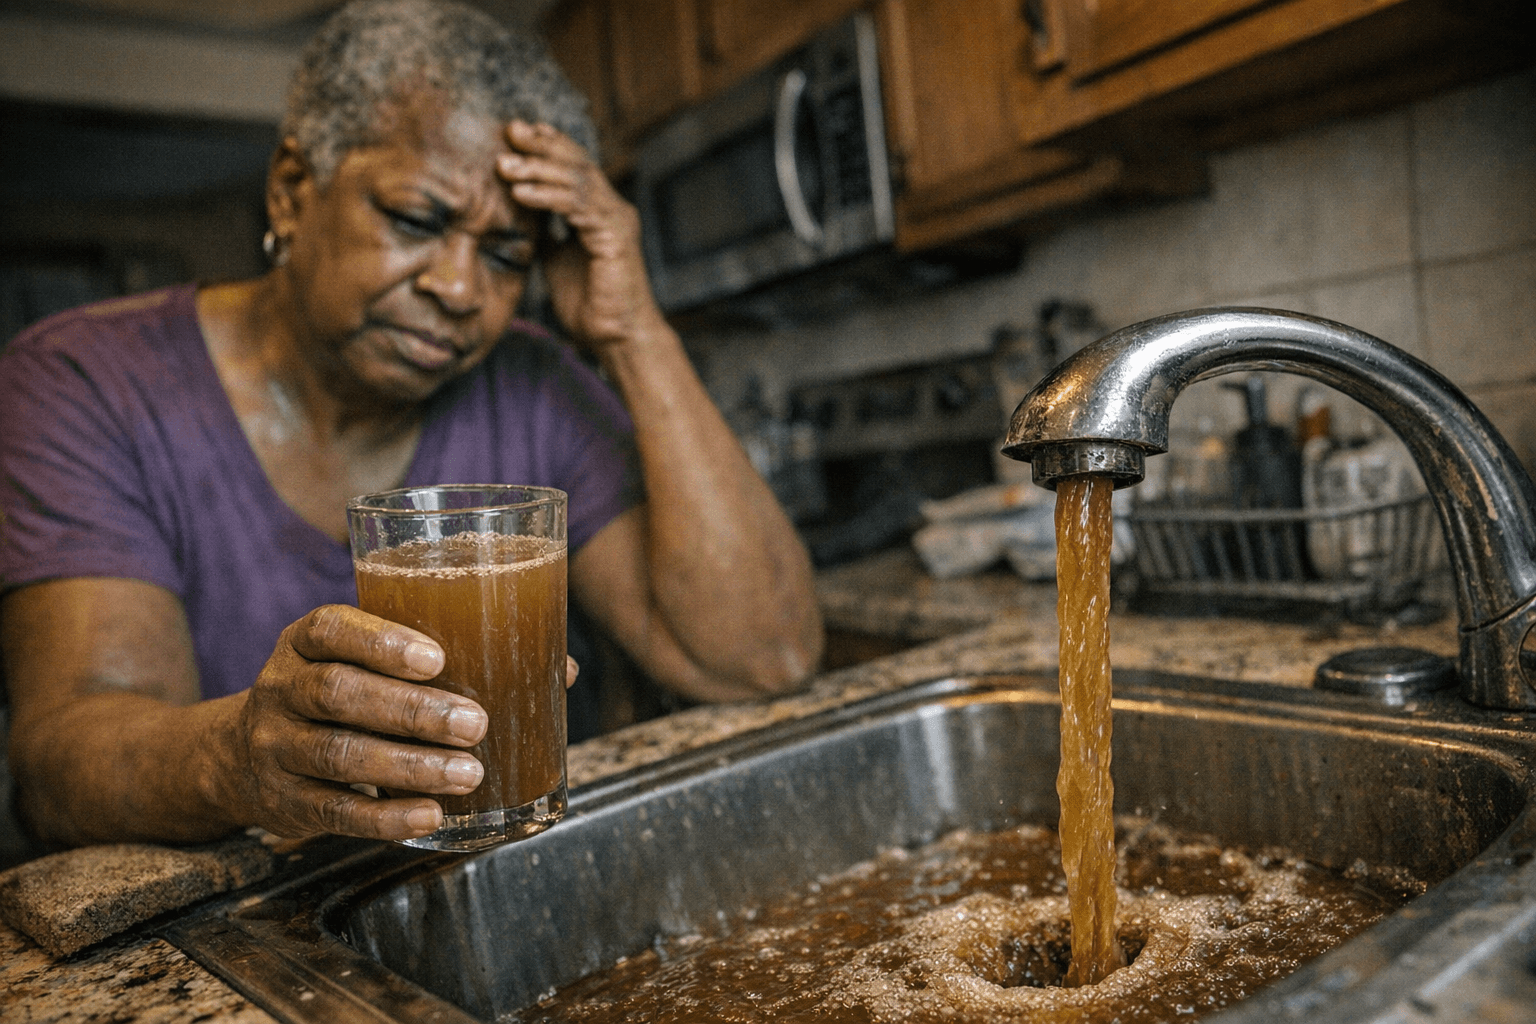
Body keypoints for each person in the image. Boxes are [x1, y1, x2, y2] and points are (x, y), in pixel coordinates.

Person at [0, 0, 822, 851]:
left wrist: (633, 330)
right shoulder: (84, 381)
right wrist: (241, 757)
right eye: (416, 220)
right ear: (291, 191)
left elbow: (762, 660)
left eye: (507, 255)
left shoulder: (535, 381)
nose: (462, 290)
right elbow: (62, 769)